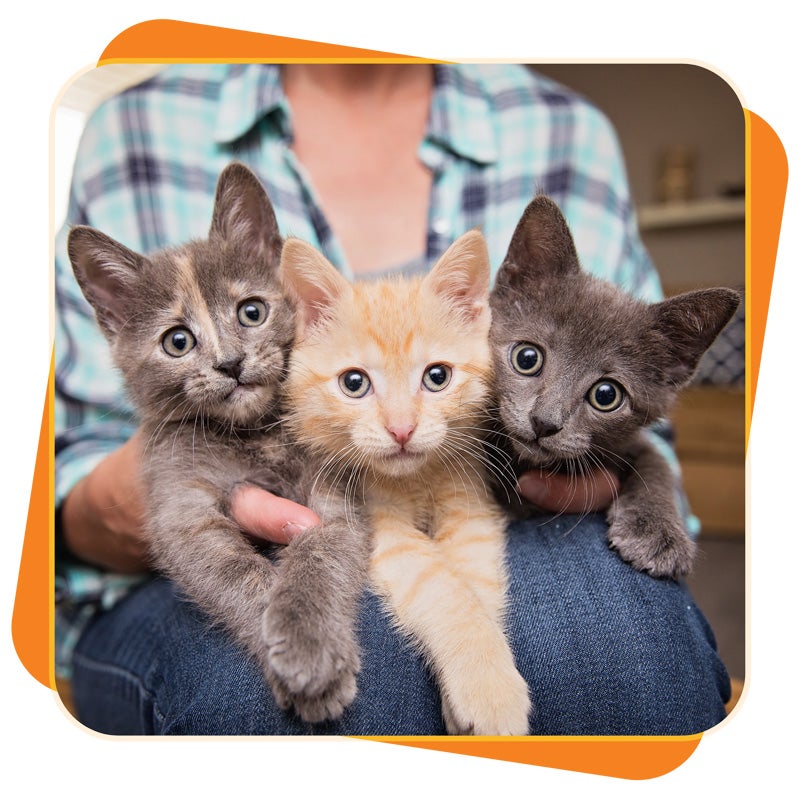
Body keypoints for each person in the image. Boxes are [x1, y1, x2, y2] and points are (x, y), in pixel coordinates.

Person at [55, 62, 730, 735]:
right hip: (166, 564)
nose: (228, 356)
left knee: (629, 651)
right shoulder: (130, 126)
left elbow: (640, 424)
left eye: (251, 316)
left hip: (510, 509)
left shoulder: (568, 129)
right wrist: (120, 503)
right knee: (257, 696)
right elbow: (67, 462)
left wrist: (615, 483)